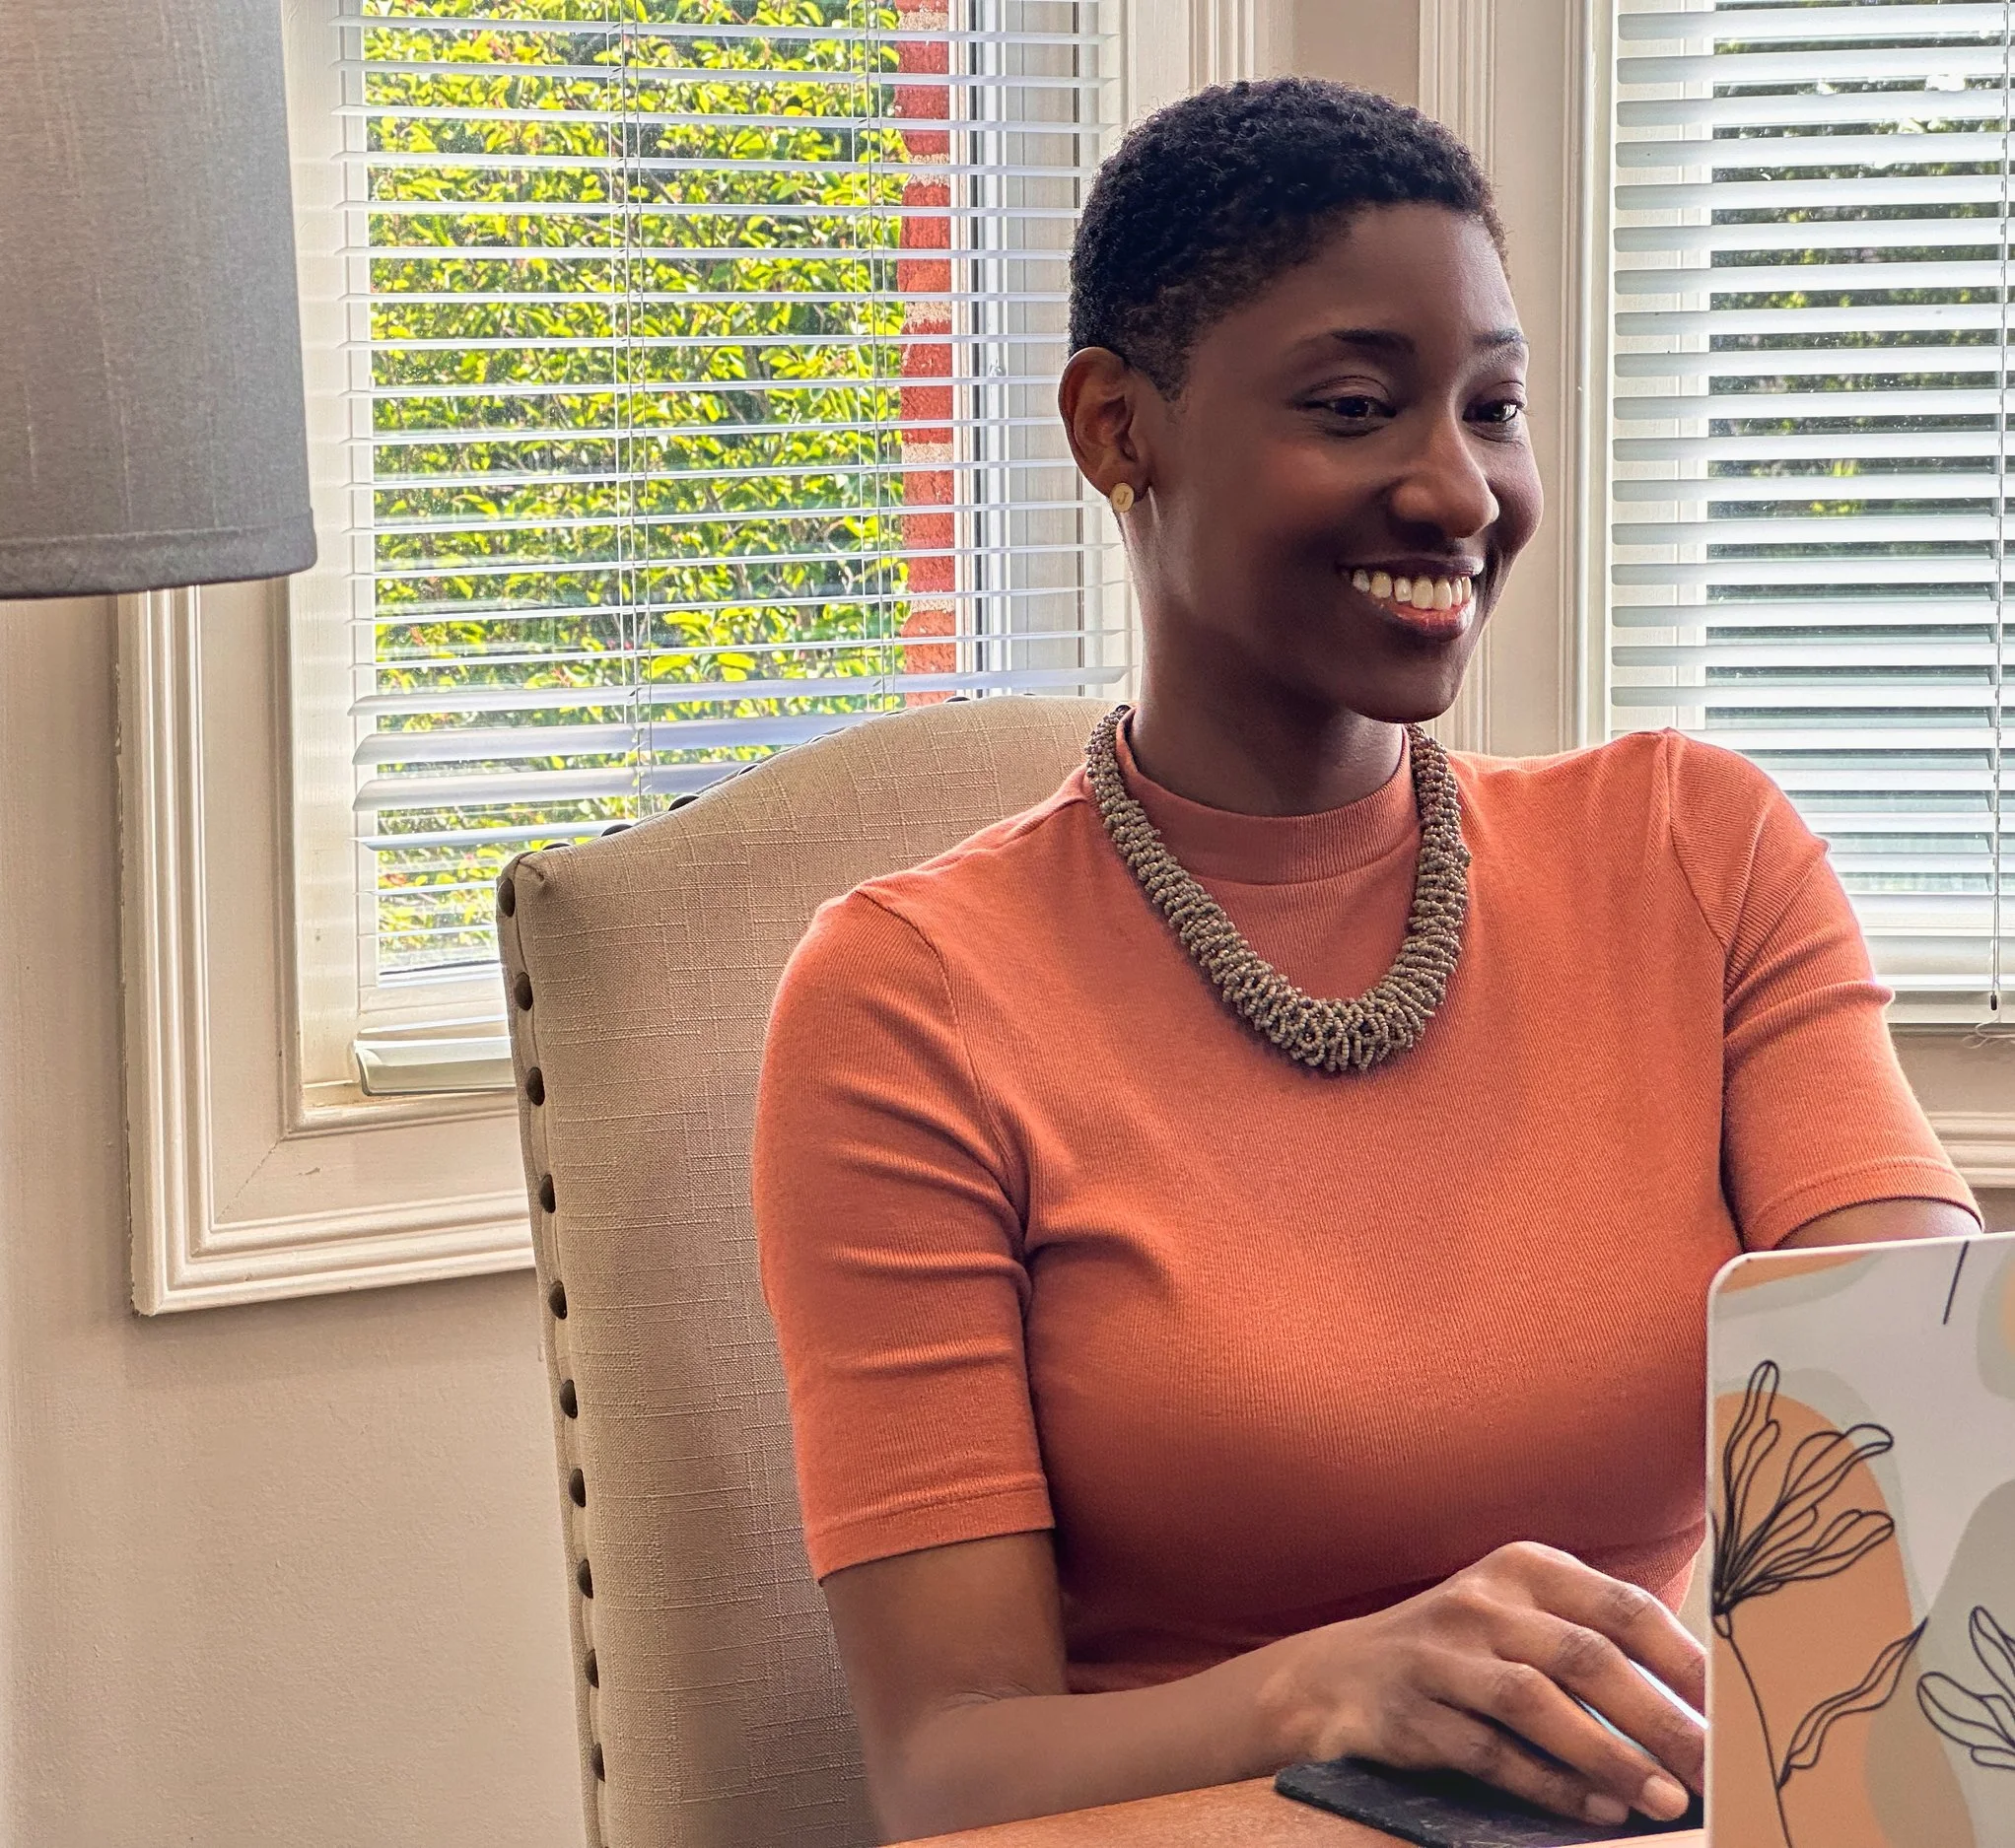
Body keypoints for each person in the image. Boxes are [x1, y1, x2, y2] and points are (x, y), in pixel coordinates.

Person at [751, 78, 1981, 1844]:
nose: (1457, 487)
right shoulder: (907, 1003)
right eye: (1354, 407)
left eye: (1495, 406)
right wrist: (1327, 1684)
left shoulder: (1696, 854)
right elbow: (949, 1766)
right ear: (1118, 428)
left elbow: (1926, 1435)